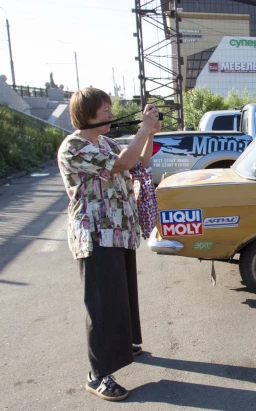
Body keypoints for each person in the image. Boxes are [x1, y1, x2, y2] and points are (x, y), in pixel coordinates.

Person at [57, 88, 160, 401]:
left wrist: (150, 132)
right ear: (87, 115)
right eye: (104, 110)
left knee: (122, 295)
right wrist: (142, 129)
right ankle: (98, 374)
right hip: (94, 234)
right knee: (102, 303)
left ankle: (123, 345)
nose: (111, 114)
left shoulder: (104, 141)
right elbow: (120, 164)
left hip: (118, 231)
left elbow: (136, 161)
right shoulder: (74, 146)